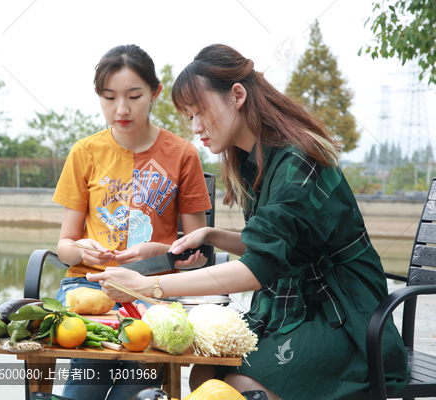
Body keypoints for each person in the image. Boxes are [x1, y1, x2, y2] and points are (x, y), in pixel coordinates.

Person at [87, 44, 410, 400]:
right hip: (289, 303)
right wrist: (211, 235)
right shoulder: (253, 159)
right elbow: (278, 246)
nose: (195, 128)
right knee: (205, 373)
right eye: (189, 117)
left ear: (237, 95)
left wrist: (149, 287)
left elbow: (259, 267)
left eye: (200, 113)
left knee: (237, 386)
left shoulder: (297, 162)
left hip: (345, 315)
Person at [52, 44, 211, 400]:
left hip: (153, 289)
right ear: (98, 96)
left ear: (154, 92)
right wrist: (81, 251)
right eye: (109, 97)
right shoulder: (84, 153)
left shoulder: (183, 154)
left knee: (135, 386)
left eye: (134, 96)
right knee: (87, 382)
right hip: (91, 285)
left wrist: (160, 252)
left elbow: (198, 246)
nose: (121, 109)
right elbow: (64, 247)